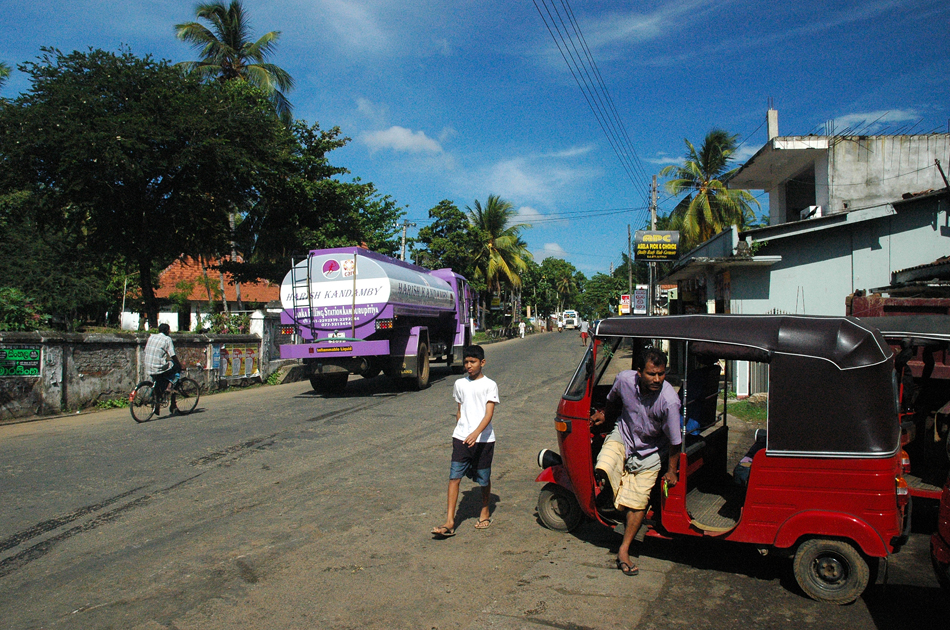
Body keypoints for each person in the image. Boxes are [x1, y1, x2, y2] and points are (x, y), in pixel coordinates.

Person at [590, 347, 681, 576]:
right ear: (638, 372)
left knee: (638, 503)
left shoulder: (669, 401)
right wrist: (606, 418)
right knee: (603, 465)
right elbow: (612, 403)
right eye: (652, 374)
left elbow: (674, 441)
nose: (657, 379)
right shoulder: (623, 380)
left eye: (661, 374)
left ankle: (623, 550)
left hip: (651, 451)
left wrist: (672, 470)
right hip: (624, 434)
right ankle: (610, 501)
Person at [432, 345, 500, 538]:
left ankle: (485, 510)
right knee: (454, 477)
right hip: (461, 438)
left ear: (482, 363)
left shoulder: (489, 385)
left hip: (484, 440)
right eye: (466, 362)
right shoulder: (460, 384)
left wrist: (476, 433)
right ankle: (450, 521)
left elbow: (489, 414)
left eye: (473, 362)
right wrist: (462, 429)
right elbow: (460, 409)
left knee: (483, 478)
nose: (469, 366)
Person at [143, 323, 181, 415]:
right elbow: (172, 355)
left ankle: (157, 404)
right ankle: (170, 387)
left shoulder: (151, 337)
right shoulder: (167, 339)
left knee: (159, 382)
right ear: (167, 331)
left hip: (148, 365)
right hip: (158, 367)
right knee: (176, 367)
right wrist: (179, 364)